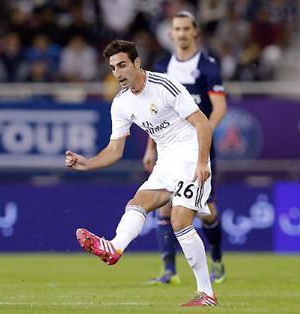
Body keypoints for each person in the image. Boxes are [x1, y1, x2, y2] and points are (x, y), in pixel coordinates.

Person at [66, 40, 218, 307]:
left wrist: (203, 162)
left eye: (123, 65)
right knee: (136, 204)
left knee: (180, 221)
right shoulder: (121, 103)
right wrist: (87, 163)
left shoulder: (164, 86)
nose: (118, 73)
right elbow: (115, 150)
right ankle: (114, 248)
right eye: (113, 68)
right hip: (166, 161)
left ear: (137, 63)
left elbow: (203, 123)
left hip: (191, 154)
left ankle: (206, 294)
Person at [144, 11, 228, 285]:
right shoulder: (161, 68)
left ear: (195, 33)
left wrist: (202, 137)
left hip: (198, 150)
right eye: (176, 29)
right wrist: (150, 148)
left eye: (185, 29)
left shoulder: (207, 67)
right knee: (165, 205)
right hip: (169, 148)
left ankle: (217, 260)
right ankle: (169, 270)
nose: (180, 33)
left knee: (207, 210)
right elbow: (155, 113)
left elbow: (219, 108)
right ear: (170, 34)